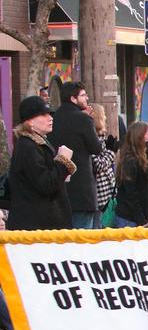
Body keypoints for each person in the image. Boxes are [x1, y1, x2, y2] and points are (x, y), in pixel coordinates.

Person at [6, 95, 76, 230]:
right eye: (44, 115)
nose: (50, 118)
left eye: (50, 114)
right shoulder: (28, 147)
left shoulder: (37, 143)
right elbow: (46, 184)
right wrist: (63, 161)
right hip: (37, 227)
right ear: (30, 121)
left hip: (43, 224)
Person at [49, 81, 102, 229]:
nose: (87, 98)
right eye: (83, 95)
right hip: (82, 189)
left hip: (59, 187)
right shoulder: (83, 119)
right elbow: (96, 148)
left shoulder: (54, 118)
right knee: (83, 242)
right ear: (73, 99)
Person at [114, 121, 148, 228]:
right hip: (129, 218)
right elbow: (131, 194)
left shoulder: (141, 157)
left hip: (137, 215)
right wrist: (141, 220)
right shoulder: (131, 160)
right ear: (140, 137)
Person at [89, 103, 117, 227]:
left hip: (108, 191)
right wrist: (111, 152)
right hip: (101, 193)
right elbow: (99, 165)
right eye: (104, 115)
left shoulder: (101, 137)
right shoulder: (92, 138)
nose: (106, 118)